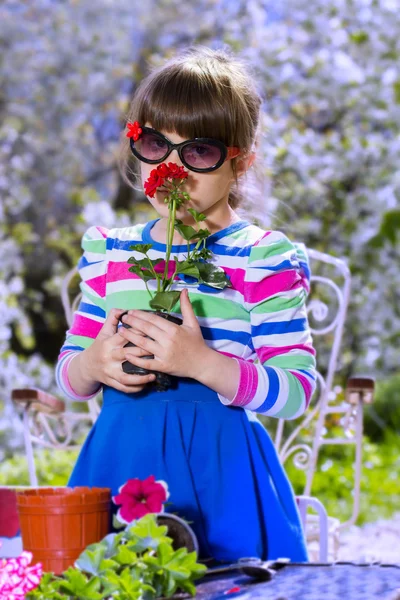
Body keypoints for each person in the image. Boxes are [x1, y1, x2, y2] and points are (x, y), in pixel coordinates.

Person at [56, 46, 317, 564]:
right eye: (155, 144)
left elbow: (295, 391)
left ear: (242, 158)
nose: (172, 168)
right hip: (119, 465)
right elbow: (69, 374)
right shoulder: (113, 252)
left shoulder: (261, 258)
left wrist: (201, 363)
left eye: (198, 152)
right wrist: (93, 363)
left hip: (222, 478)